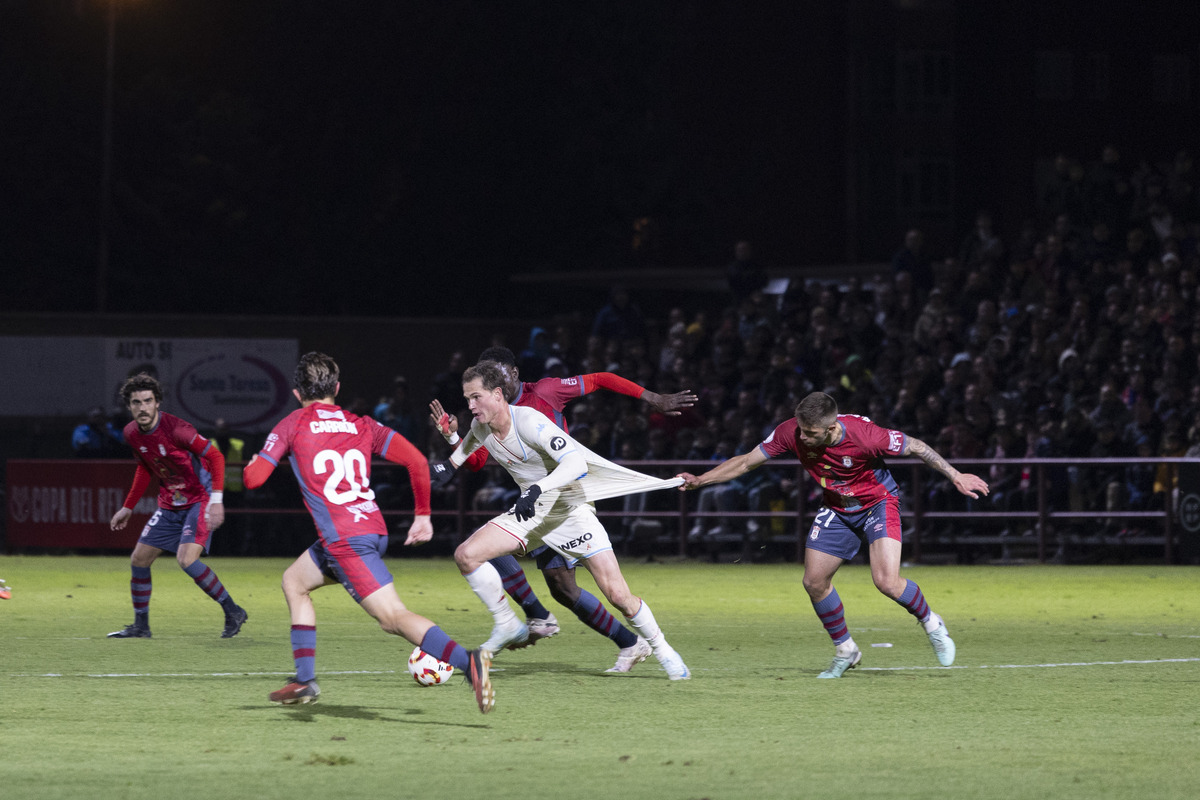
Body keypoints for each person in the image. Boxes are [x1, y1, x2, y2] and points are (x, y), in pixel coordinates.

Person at [243, 352, 493, 712]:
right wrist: (423, 516)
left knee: (392, 618)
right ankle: (305, 679)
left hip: (346, 542)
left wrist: (254, 463)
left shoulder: (293, 424)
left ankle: (469, 663)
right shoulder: (361, 424)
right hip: (369, 529)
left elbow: (254, 480)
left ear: (298, 393)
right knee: (294, 582)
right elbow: (416, 461)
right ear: (337, 388)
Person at [677, 392, 989, 678]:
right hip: (838, 508)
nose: (803, 438)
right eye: (801, 430)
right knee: (814, 582)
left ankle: (932, 623)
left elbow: (917, 446)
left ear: (830, 428)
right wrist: (700, 480)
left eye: (810, 433)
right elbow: (746, 461)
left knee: (887, 582)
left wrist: (956, 475)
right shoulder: (791, 432)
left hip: (877, 504)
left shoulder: (866, 436)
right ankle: (846, 650)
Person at [429, 345, 697, 673]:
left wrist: (651, 397)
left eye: (488, 385)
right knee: (493, 559)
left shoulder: (541, 396)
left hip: (568, 502)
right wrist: (452, 444)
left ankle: (657, 648)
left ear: (509, 378)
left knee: (606, 593)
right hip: (533, 508)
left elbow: (599, 379)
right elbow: (477, 459)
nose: (474, 402)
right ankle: (529, 620)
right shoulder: (484, 420)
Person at [107, 373, 247, 639]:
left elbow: (215, 456)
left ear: (157, 402)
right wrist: (128, 507)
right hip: (170, 503)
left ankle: (233, 610)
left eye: (148, 401)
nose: (142, 407)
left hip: (199, 499)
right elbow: (145, 468)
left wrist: (216, 501)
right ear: (129, 406)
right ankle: (141, 626)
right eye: (136, 402)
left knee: (186, 559)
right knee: (139, 559)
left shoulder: (178, 430)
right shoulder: (131, 433)